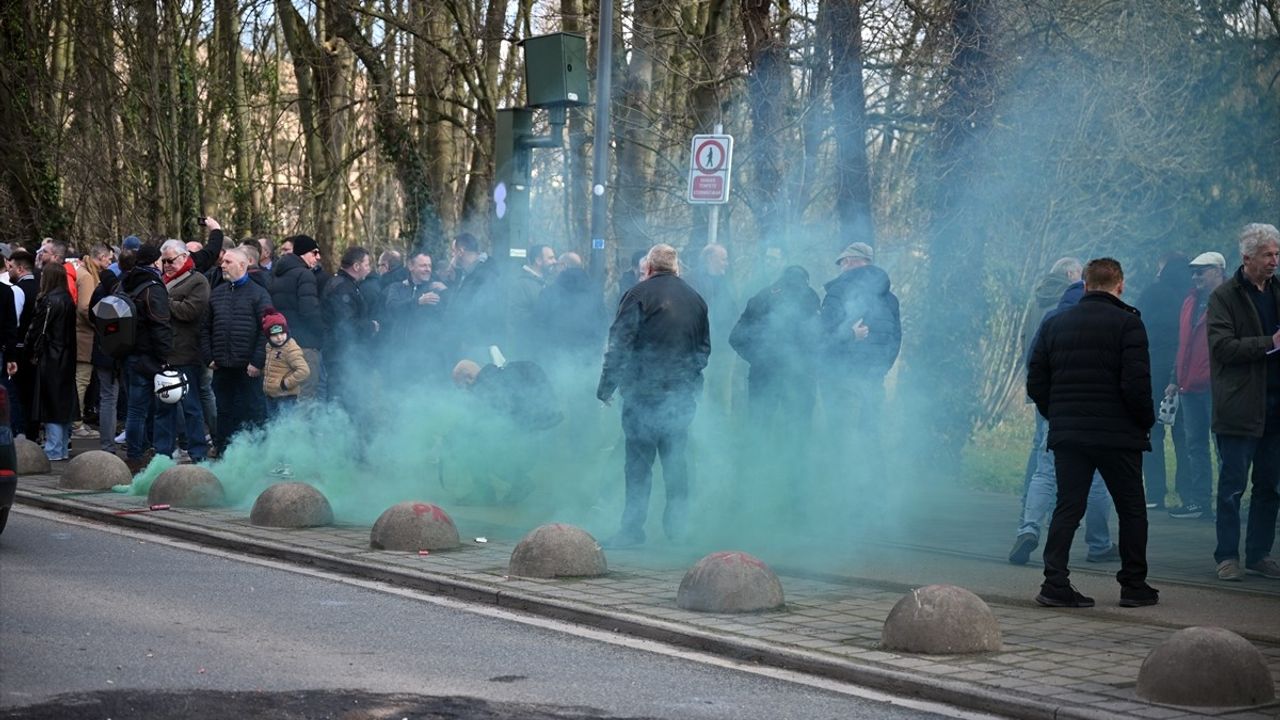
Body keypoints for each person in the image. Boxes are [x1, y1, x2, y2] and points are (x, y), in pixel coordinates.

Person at [1027, 257, 1158, 608]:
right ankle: (1133, 585)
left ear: (1085, 285)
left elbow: (1036, 379)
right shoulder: (1129, 324)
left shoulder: (1056, 323)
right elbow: (1136, 384)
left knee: (1068, 507)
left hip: (1070, 434)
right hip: (1118, 435)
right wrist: (1144, 422)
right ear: (1120, 285)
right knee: (1132, 509)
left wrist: (1056, 414)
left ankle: (1054, 583)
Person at [597, 244, 710, 547]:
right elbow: (703, 350)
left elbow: (619, 343)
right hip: (681, 397)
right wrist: (689, 380)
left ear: (647, 268)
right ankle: (678, 529)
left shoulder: (638, 295)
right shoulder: (696, 300)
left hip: (642, 395)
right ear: (677, 267)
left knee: (638, 465)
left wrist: (607, 386)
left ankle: (632, 529)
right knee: (676, 463)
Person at [1010, 274, 1116, 566]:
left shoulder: (1053, 319)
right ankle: (1099, 544)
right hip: (1094, 413)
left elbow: (1034, 364)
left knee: (1044, 473)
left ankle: (1028, 528)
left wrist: (1045, 405)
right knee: (1095, 477)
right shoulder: (1109, 321)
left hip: (1055, 410)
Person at [1207, 223, 1280, 581]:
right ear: (1247, 257)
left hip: (1276, 407)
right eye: (1268, 254)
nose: (1274, 261)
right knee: (1232, 487)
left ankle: (1259, 553)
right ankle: (1226, 556)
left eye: (1277, 254)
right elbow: (1222, 348)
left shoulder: (1279, 291)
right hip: (1239, 406)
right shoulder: (1224, 296)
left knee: (1270, 486)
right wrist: (1269, 342)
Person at [818, 242, 901, 487]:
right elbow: (895, 339)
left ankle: (842, 496)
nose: (841, 268)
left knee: (841, 438)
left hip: (841, 378)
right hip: (873, 379)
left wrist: (847, 338)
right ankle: (874, 500)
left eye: (842, 262)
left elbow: (823, 335)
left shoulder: (839, 290)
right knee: (870, 437)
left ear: (852, 261)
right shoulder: (890, 299)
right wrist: (881, 369)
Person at [729, 265, 820, 469]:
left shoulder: (762, 297)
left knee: (758, 429)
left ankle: (751, 477)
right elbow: (820, 342)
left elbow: (735, 338)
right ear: (806, 281)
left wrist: (758, 358)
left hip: (764, 376)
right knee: (797, 435)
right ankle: (795, 482)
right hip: (800, 380)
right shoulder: (812, 300)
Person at [1164, 251, 1226, 520]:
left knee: (1222, 445)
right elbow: (1184, 344)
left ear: (1218, 271)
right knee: (1195, 446)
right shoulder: (1190, 301)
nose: (1196, 276)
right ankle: (1201, 502)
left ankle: (1226, 503)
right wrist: (1174, 379)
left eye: (1201, 271)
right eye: (1194, 272)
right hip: (1189, 386)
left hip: (1218, 385)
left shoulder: (1230, 301)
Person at [1017, 257, 1082, 494]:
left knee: (1039, 442)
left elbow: (1025, 339)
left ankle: (1029, 500)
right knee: (1062, 444)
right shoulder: (1069, 301)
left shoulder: (1037, 299)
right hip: (1064, 383)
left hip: (1039, 381)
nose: (1082, 279)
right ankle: (1056, 504)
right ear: (1070, 274)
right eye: (1079, 273)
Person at [1135, 252, 1192, 509]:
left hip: (1152, 367)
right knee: (1184, 434)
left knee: (1153, 431)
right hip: (1184, 369)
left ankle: (1155, 495)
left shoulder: (1150, 294)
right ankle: (1188, 493)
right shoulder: (1193, 297)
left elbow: (1136, 326)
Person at [202, 248, 272, 454]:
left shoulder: (259, 294)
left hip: (248, 368)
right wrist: (209, 357)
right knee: (224, 413)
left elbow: (267, 329)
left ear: (243, 265)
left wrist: (257, 361)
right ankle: (224, 453)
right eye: (223, 262)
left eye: (228, 262)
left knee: (253, 413)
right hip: (222, 366)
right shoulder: (216, 294)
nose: (222, 265)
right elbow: (205, 328)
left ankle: (257, 456)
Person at [7, 264, 76, 461]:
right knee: (62, 403)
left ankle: (53, 448)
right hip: (66, 355)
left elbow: (36, 331)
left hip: (50, 356)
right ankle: (60, 447)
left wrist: (28, 351)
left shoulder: (48, 301)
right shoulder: (67, 299)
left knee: (50, 403)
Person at [154, 239, 210, 463]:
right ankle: (162, 454)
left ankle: (198, 454)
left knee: (191, 408)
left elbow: (190, 311)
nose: (167, 265)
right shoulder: (160, 281)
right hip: (163, 355)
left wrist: (163, 302)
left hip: (186, 354)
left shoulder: (198, 281)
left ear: (185, 257)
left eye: (171, 260)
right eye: (163, 261)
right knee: (163, 408)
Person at [120, 244, 173, 473]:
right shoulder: (152, 287)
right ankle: (142, 456)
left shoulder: (125, 282)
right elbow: (160, 323)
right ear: (154, 262)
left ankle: (136, 454)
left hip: (127, 353)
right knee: (150, 409)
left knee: (135, 409)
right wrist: (165, 357)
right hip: (148, 356)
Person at [321, 246, 378, 407]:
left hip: (345, 354)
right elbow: (345, 324)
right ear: (356, 266)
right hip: (340, 356)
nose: (369, 268)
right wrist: (370, 326)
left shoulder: (347, 284)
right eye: (367, 264)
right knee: (342, 400)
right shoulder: (342, 287)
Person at [271, 234, 325, 399]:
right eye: (314, 252)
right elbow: (309, 311)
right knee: (306, 396)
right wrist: (322, 333)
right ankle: (301, 427)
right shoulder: (304, 275)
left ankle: (285, 426)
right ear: (303, 253)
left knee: (286, 398)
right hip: (304, 345)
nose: (318, 257)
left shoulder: (276, 274)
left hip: (281, 345)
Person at [383, 251, 447, 381]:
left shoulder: (436, 289)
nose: (428, 269)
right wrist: (417, 302)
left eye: (429, 265)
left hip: (428, 360)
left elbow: (452, 315)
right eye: (423, 265)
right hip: (400, 357)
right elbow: (392, 308)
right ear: (411, 266)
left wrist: (447, 292)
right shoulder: (397, 287)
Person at [73, 244, 111, 438]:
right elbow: (85, 307)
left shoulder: (82, 271)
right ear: (102, 257)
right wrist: (100, 324)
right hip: (85, 336)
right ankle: (76, 423)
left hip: (81, 334)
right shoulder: (87, 276)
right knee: (82, 379)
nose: (110, 263)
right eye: (109, 259)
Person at [507, 244, 555, 358]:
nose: (555, 261)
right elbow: (517, 317)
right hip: (526, 351)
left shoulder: (545, 282)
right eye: (551, 258)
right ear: (538, 260)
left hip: (540, 350)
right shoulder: (521, 284)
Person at [261, 310, 310, 418]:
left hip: (286, 398)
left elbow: (304, 371)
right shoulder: (269, 347)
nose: (279, 337)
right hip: (271, 397)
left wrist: (285, 384)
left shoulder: (290, 348)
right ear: (268, 336)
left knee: (286, 425)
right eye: (275, 335)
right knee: (273, 426)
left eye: (282, 333)